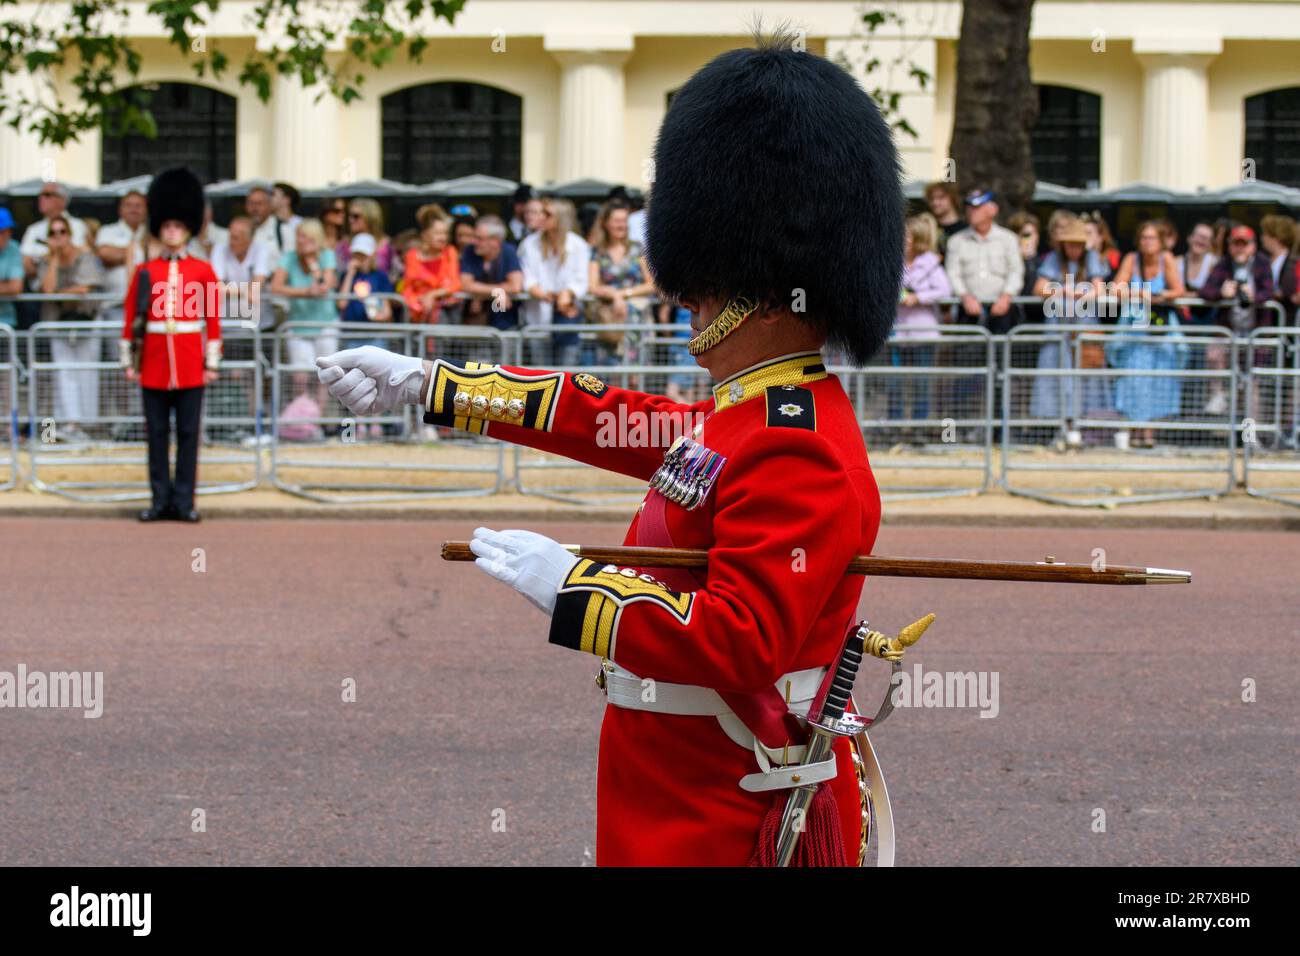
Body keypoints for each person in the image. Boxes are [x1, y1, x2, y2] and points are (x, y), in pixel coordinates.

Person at [316, 31, 906, 867]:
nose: (687, 299)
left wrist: (578, 591)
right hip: (671, 779)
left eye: (703, 284)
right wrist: (433, 383)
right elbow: (607, 418)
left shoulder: (799, 444)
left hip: (730, 799)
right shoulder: (753, 414)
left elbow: (742, 642)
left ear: (768, 289)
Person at [119, 168, 222, 522]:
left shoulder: (203, 270)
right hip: (154, 362)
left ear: (189, 229)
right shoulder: (146, 271)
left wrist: (211, 363)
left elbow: (212, 320)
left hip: (191, 362)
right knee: (157, 436)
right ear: (160, 229)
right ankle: (160, 500)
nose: (172, 231)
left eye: (178, 226)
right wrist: (129, 360)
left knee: (190, 435)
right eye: (167, 226)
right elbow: (132, 317)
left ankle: (184, 502)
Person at [1030, 214, 1111, 445]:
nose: (1073, 249)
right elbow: (1039, 288)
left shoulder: (1092, 259)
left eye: (1077, 244)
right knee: (1058, 377)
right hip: (1058, 328)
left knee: (1086, 379)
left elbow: (1099, 289)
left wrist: (1083, 291)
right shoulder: (1054, 260)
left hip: (1085, 328)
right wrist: (1062, 289)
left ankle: (1084, 428)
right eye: (1069, 244)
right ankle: (1060, 428)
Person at [1108, 221, 1188, 449]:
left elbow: (1178, 290)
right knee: (1134, 377)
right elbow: (1115, 288)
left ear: (1160, 241)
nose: (1147, 242)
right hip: (1134, 327)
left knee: (1158, 378)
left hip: (1160, 329)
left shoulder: (1167, 259)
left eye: (1151, 238)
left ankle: (1149, 433)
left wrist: (1154, 295)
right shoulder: (1131, 259)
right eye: (1143, 237)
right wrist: (1136, 293)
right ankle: (1134, 430)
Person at [36, 213, 107, 443]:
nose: (58, 237)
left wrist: (60, 293)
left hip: (86, 319)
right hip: (59, 322)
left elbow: (85, 287)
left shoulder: (84, 255)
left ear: (69, 234)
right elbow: (47, 289)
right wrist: (55, 259)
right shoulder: (47, 260)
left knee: (86, 371)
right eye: (53, 233)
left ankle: (87, 424)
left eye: (62, 232)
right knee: (63, 372)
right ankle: (68, 425)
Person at [1199, 224, 1275, 416]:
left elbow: (1269, 292)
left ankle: (1249, 436)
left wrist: (1254, 296)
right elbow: (1205, 291)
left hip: (1255, 332)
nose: (1240, 248)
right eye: (1236, 243)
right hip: (1229, 330)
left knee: (1250, 385)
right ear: (1230, 245)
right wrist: (1221, 293)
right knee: (1213, 354)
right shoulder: (1223, 264)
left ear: (1253, 246)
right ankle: (1218, 395)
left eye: (1245, 243)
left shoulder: (1262, 263)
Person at [890, 212, 950, 431]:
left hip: (923, 333)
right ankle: (894, 426)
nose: (903, 239)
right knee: (894, 382)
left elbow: (944, 291)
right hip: (897, 334)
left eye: (907, 236)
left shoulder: (931, 264)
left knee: (922, 383)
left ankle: (920, 427)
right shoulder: (892, 262)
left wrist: (918, 297)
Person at [271, 217, 338, 406]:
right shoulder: (288, 257)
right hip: (298, 324)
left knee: (323, 376)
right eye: (299, 237)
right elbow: (276, 287)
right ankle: (302, 419)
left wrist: (313, 264)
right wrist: (304, 292)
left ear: (316, 240)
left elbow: (324, 286)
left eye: (306, 237)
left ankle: (317, 421)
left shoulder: (327, 255)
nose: (301, 241)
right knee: (300, 377)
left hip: (325, 324)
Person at [518, 197, 588, 366]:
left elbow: (582, 280)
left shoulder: (578, 245)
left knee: (567, 372)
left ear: (561, 218)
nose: (540, 217)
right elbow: (526, 276)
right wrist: (539, 292)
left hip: (566, 317)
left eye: (547, 214)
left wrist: (568, 293)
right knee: (540, 374)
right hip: (537, 318)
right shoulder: (529, 243)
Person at [585, 201, 655, 366]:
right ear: (605, 223)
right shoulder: (597, 251)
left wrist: (622, 295)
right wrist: (613, 296)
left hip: (638, 318)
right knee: (612, 374)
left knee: (636, 376)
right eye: (617, 221)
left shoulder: (637, 248)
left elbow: (652, 284)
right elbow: (592, 286)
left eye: (624, 220)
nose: (621, 225)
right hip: (610, 320)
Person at [946, 188, 1023, 334]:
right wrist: (965, 296)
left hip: (1003, 310)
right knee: (968, 355)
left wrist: (1006, 297)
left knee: (1002, 354)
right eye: (968, 207)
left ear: (992, 210)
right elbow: (953, 273)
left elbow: (1016, 271)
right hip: (968, 311)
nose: (970, 211)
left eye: (976, 207)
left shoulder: (1008, 239)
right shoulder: (957, 241)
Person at [459, 214, 523, 332]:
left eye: (479, 238)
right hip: (476, 325)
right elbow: (465, 284)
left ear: (495, 241)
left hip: (505, 323)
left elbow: (515, 286)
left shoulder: (509, 251)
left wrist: (479, 293)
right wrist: (499, 291)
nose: (473, 241)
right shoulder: (470, 251)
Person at [402, 204, 461, 325]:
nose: (443, 238)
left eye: (445, 233)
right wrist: (418, 302)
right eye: (438, 233)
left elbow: (454, 283)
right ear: (425, 234)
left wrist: (432, 295)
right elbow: (408, 287)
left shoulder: (450, 252)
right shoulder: (412, 256)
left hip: (443, 314)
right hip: (417, 313)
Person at [20, 181, 88, 278]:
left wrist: (43, 260)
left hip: (71, 287)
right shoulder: (33, 229)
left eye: (47, 195)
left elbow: (76, 256)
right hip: (40, 288)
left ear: (62, 200)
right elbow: (25, 263)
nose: (41, 198)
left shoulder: (78, 225)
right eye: (40, 195)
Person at [256, 181, 302, 256]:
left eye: (273, 194)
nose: (269, 198)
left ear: (286, 200)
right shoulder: (264, 223)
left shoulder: (300, 224)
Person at [923, 181, 965, 253]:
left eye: (941, 197)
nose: (935, 202)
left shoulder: (965, 228)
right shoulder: (926, 226)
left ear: (953, 198)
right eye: (931, 198)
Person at [0, 207, 22, 330]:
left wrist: (9, 286)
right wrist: (5, 285)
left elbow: (15, 287)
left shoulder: (13, 248)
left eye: (9, 231)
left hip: (6, 322)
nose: (7, 235)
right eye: (1, 231)